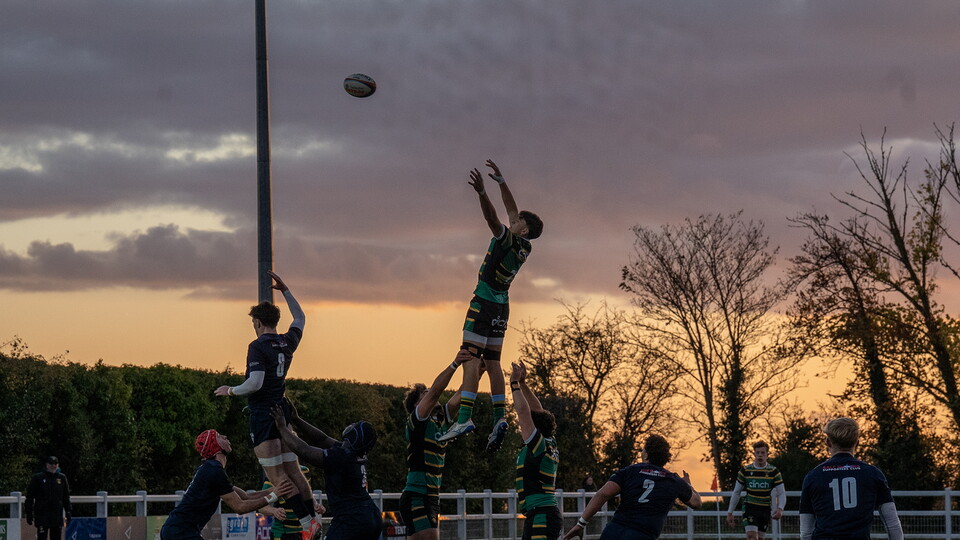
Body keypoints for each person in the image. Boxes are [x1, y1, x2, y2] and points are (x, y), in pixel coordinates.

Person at [440, 159, 544, 455]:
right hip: (502, 306)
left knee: (471, 359)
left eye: (518, 220)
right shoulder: (526, 245)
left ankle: (463, 419)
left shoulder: (507, 239)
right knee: (494, 363)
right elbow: (512, 211)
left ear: (522, 228)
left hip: (483, 302)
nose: (514, 219)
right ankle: (499, 418)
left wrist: (483, 193)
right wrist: (501, 181)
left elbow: (493, 218)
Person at [214, 270, 315, 532]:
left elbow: (255, 383)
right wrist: (286, 291)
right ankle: (313, 519)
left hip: (262, 414)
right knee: (294, 471)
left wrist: (231, 390)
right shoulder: (287, 341)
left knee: (277, 476)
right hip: (282, 411)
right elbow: (301, 318)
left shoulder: (257, 346)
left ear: (258, 322)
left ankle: (307, 524)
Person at [270, 401, 382, 540]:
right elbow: (321, 438)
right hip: (370, 516)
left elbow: (304, 451)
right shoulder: (354, 453)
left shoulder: (342, 457)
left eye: (355, 425)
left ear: (355, 435)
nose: (352, 425)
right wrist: (297, 419)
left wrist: (282, 428)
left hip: (351, 520)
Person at [160, 429, 296, 540]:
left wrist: (277, 489)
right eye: (220, 436)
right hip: (180, 532)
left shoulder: (210, 469)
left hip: (178, 530)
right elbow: (240, 507)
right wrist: (274, 495)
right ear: (216, 447)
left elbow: (246, 497)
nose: (225, 436)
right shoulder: (214, 471)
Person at [562, 435, 702, 540]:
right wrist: (688, 484)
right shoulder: (674, 480)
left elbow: (602, 494)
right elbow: (696, 502)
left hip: (614, 531)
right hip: (643, 535)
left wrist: (581, 524)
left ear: (646, 454)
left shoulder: (630, 471)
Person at [400, 349, 476, 539]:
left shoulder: (440, 420)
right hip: (417, 495)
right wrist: (455, 363)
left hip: (432, 496)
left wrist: (477, 370)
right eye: (423, 396)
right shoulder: (417, 421)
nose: (430, 395)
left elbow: (462, 393)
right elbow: (435, 391)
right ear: (418, 406)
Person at [799, 417, 903, 540]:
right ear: (857, 442)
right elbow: (892, 524)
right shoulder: (872, 474)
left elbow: (806, 531)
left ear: (828, 442)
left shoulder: (813, 476)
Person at [510, 361, 561, 540]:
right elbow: (537, 411)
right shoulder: (549, 442)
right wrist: (524, 384)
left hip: (541, 514)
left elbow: (523, 412)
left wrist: (514, 384)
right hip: (541, 513)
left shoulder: (538, 445)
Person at [726, 441, 786, 540]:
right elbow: (737, 492)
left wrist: (780, 509)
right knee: (751, 536)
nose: (760, 455)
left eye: (762, 453)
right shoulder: (745, 471)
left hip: (765, 509)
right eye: (757, 453)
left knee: (760, 538)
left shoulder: (773, 472)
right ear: (754, 454)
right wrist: (730, 513)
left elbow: (781, 493)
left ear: (767, 454)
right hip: (750, 508)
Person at [260, 464, 325, 540]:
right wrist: (274, 511)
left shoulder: (304, 470)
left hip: (305, 532)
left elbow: (307, 494)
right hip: (283, 532)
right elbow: (261, 506)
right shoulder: (273, 475)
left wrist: (315, 505)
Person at [25, 456, 71, 540]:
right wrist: (29, 513)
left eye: (55, 464)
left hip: (56, 516)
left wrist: (68, 511)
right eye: (51, 464)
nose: (53, 466)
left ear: (58, 465)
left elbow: (66, 497)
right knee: (42, 537)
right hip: (42, 516)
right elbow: (30, 497)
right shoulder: (38, 478)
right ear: (47, 465)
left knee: (56, 537)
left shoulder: (62, 478)